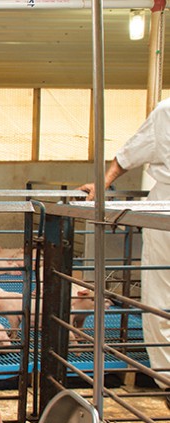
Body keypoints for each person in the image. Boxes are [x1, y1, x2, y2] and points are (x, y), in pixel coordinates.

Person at [78, 97, 170, 406]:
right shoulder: (167, 111)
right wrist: (103, 184)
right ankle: (168, 377)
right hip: (166, 209)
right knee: (160, 293)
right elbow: (129, 153)